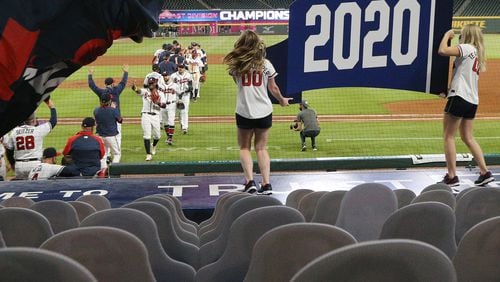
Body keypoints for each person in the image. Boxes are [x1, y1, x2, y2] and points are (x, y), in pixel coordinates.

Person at [223, 30, 292, 195]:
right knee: (261, 148)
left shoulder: (236, 65)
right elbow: (273, 88)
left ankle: (250, 182)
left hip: (244, 110)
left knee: (244, 147)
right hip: (264, 111)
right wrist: (282, 100)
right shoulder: (266, 64)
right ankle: (266, 184)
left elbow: (236, 81)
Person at [437, 24, 494, 187]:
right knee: (468, 137)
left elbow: (442, 51)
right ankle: (485, 172)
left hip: (460, 97)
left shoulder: (467, 48)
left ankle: (452, 176)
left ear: (467, 35)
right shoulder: (476, 52)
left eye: (461, 33)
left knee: (448, 137)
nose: (459, 35)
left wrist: (447, 37)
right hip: (471, 100)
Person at [4, 99, 57, 179]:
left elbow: (9, 150)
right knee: (35, 186)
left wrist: (12, 163)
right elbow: (53, 121)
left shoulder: (14, 132)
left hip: (19, 165)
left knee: (21, 187)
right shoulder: (38, 130)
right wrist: (52, 107)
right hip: (34, 165)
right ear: (33, 120)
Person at [88, 64, 129, 155]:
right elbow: (123, 82)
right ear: (113, 83)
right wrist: (125, 72)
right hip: (116, 117)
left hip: (103, 118)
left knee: (104, 138)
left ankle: (107, 155)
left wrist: (90, 74)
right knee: (117, 136)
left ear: (105, 84)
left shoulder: (101, 92)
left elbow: (92, 85)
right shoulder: (116, 91)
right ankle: (116, 154)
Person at [132, 77, 167, 161]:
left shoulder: (161, 94)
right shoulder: (145, 91)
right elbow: (138, 91)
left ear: (155, 83)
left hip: (156, 116)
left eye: (152, 83)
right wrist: (134, 88)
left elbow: (164, 105)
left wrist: (158, 103)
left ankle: (153, 146)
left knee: (157, 136)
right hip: (145, 115)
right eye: (150, 83)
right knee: (147, 135)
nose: (151, 85)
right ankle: (148, 154)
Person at [94, 93, 123, 166]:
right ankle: (113, 171)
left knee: (104, 155)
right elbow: (120, 120)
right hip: (111, 136)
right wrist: (114, 108)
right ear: (109, 101)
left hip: (100, 136)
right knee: (117, 154)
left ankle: (103, 172)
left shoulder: (96, 110)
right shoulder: (113, 110)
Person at [171, 64, 193, 134]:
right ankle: (179, 124)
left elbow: (190, 85)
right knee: (177, 112)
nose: (180, 69)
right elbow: (170, 86)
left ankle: (184, 128)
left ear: (184, 68)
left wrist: (186, 90)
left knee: (184, 111)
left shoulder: (188, 75)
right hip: (176, 96)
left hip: (185, 95)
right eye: (179, 67)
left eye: (182, 68)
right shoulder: (173, 76)